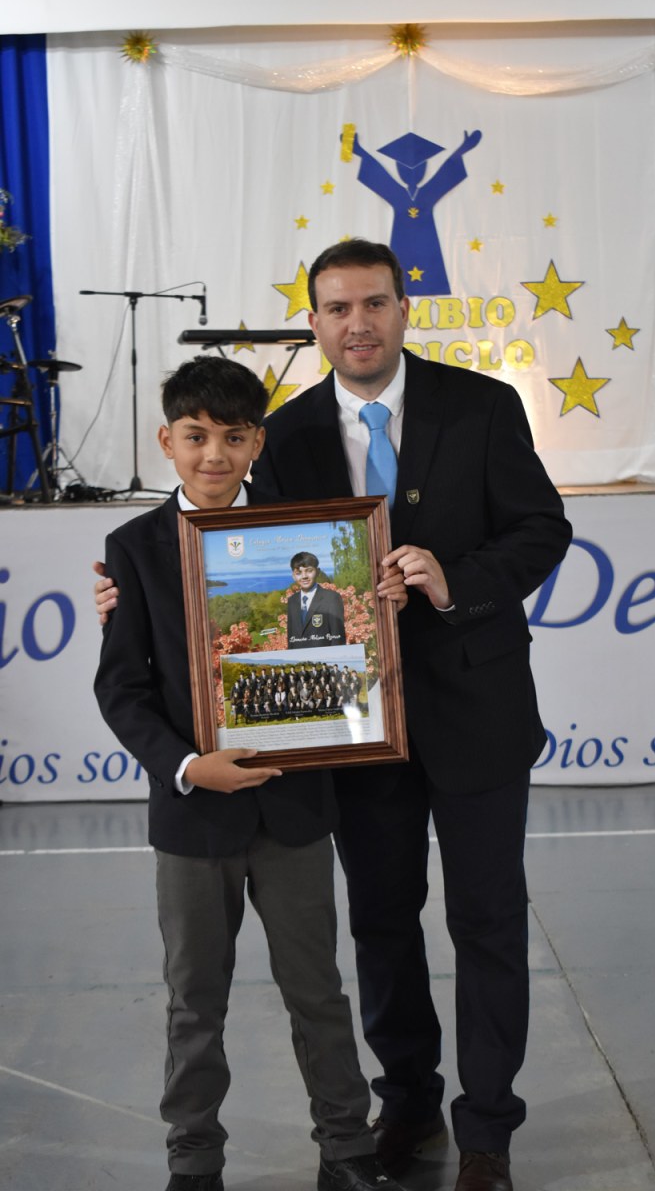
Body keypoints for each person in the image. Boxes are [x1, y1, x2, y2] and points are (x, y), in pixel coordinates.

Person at [95, 239, 572, 1191]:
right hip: (348, 728)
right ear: (313, 322)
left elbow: (542, 529)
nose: (359, 323)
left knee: (487, 922)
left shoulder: (484, 406)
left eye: (375, 304)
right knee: (382, 924)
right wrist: (133, 588)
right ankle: (407, 1108)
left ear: (404, 309)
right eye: (338, 308)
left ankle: (487, 1132)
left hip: (476, 712)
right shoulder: (285, 430)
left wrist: (452, 580)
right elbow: (227, 544)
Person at [93, 355, 408, 1191]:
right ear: (166, 440)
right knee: (194, 1000)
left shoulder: (311, 533)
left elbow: (347, 655)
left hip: (295, 808)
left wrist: (375, 619)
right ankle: (194, 1162)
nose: (214, 455)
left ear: (257, 443)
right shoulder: (133, 549)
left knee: (319, 991)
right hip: (195, 816)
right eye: (196, 437)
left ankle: (347, 1149)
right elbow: (121, 690)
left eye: (234, 438)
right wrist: (188, 765)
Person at [286, 551, 346, 648]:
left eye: (309, 571)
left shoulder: (331, 598)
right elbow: (291, 638)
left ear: (317, 571)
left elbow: (338, 638)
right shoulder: (292, 601)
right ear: (293, 576)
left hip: (325, 657)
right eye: (298, 573)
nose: (304, 576)